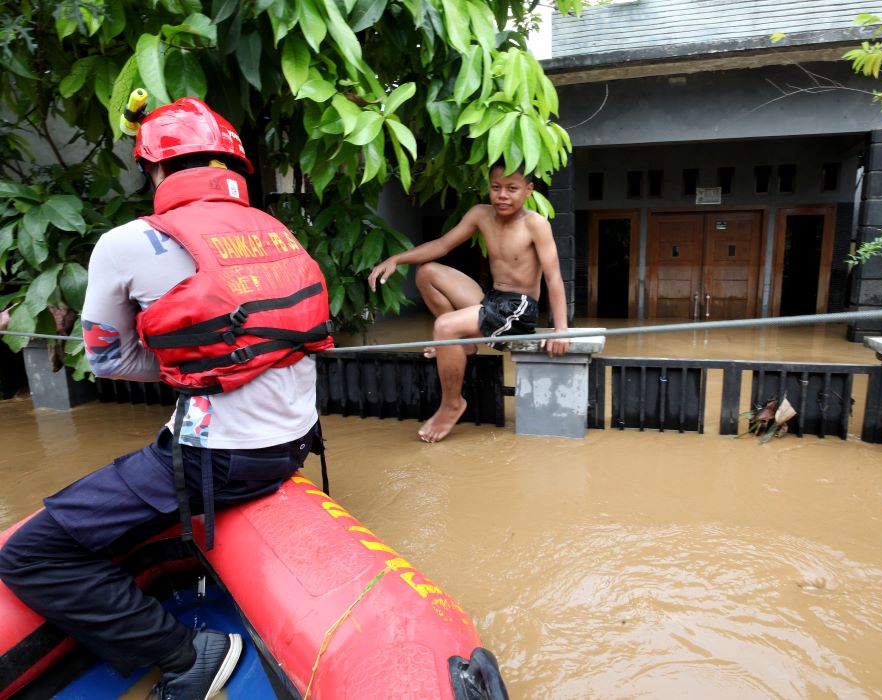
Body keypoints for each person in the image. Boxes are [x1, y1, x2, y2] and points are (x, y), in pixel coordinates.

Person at [0, 97, 332, 699]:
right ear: (231, 166)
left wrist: (200, 366)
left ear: (152, 169)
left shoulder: (126, 242)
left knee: (30, 555)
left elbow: (108, 359)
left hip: (222, 459)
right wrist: (222, 361)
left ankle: (190, 654)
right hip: (293, 444)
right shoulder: (276, 231)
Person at [369, 161, 570, 443]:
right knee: (427, 272)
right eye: (496, 187)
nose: (502, 195)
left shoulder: (535, 224)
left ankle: (452, 404)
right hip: (493, 298)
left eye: (512, 189)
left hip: (519, 309)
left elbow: (554, 279)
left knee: (445, 326)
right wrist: (396, 259)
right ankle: (463, 344)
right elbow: (441, 245)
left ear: (528, 191)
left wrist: (561, 330)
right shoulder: (480, 215)